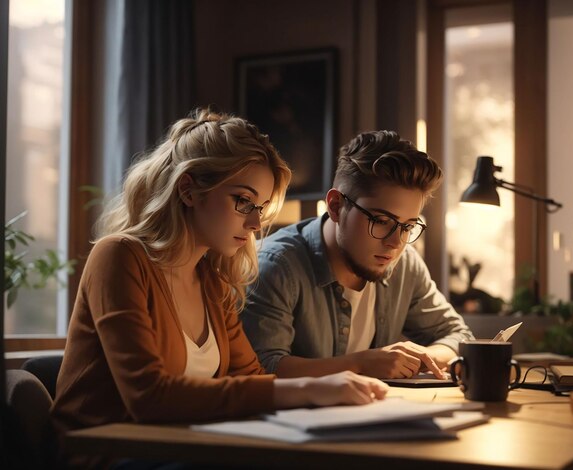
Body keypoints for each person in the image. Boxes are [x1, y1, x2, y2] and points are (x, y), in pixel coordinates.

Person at [51, 109, 388, 468]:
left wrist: (327, 395)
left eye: (259, 207)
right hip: (107, 455)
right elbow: (148, 396)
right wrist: (308, 388)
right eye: (243, 201)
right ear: (189, 190)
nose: (256, 222)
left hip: (182, 447)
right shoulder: (118, 255)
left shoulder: (210, 278)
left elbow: (251, 381)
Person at [242, 130, 474, 380]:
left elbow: (459, 336)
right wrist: (359, 364)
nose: (395, 243)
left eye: (408, 226)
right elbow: (262, 367)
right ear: (336, 206)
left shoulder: (405, 264)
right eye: (382, 220)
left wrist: (414, 359)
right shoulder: (276, 265)